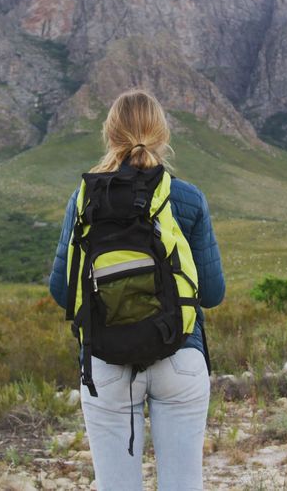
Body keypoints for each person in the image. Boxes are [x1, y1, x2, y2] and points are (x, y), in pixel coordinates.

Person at [48, 89, 226, 490]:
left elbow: (62, 292)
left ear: (109, 136)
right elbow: (212, 294)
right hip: (179, 355)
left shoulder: (83, 199)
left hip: (105, 363)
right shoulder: (188, 198)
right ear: (162, 136)